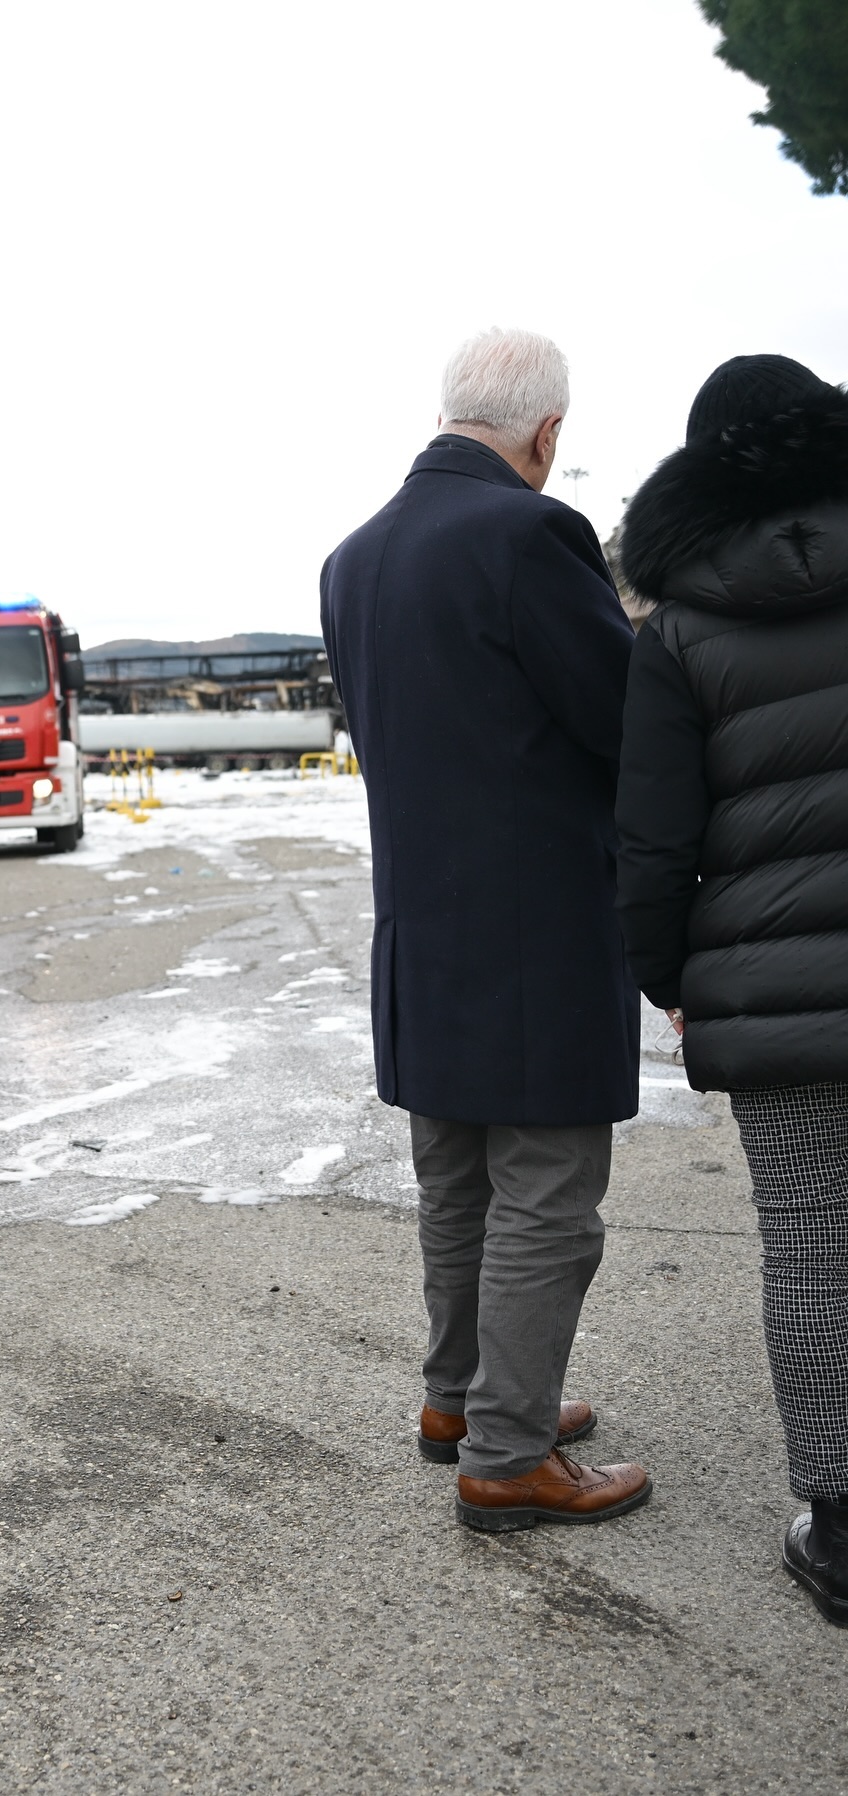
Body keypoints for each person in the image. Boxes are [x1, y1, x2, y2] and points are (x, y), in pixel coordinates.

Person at [321, 327, 650, 1532]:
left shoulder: (350, 559)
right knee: (548, 1190)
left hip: (420, 929)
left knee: (455, 1178)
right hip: (539, 932)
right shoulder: (529, 533)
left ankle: (462, 1399)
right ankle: (510, 1453)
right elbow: (625, 717)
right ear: (546, 434)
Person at [616, 354, 848, 1626]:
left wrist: (668, 976)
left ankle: (842, 1524)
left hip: (771, 988)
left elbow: (653, 838)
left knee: (814, 1244)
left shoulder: (682, 626)